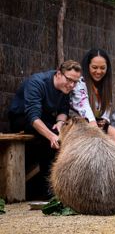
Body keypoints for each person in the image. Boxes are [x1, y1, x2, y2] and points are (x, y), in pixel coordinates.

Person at [8, 60, 82, 199]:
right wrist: (52, 135)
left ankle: (52, 190)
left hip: (46, 119)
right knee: (53, 141)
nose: (72, 85)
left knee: (59, 136)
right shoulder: (37, 82)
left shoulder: (66, 88)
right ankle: (48, 192)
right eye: (69, 80)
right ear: (59, 73)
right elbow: (33, 116)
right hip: (23, 118)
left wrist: (60, 123)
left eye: (75, 82)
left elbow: (63, 110)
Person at [70, 48, 115, 144]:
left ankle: (111, 159)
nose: (98, 71)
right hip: (79, 120)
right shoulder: (79, 82)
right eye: (94, 67)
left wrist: (105, 120)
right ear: (87, 66)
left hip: (97, 121)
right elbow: (83, 105)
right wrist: (93, 124)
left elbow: (107, 105)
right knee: (94, 138)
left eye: (102, 68)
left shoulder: (106, 84)